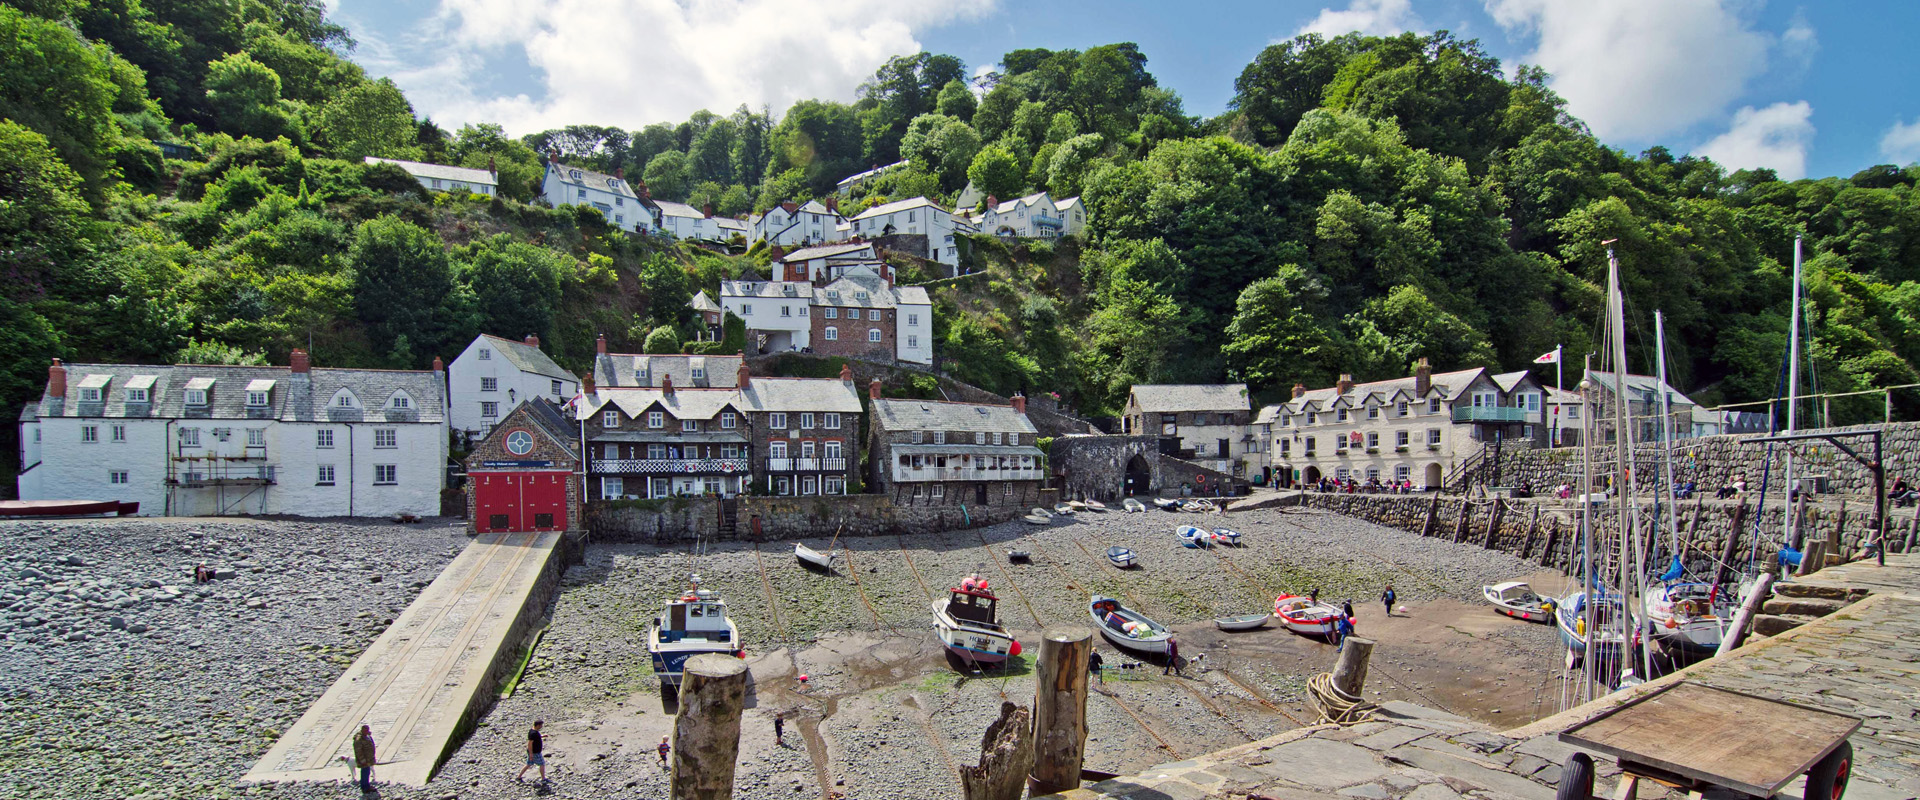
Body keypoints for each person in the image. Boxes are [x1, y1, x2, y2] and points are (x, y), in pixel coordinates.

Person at [352, 724, 376, 793]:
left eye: (367, 730)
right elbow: (358, 751)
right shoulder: (359, 739)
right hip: (364, 760)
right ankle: (365, 787)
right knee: (365, 772)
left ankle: (367, 785)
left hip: (368, 759)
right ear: (362, 730)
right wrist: (362, 760)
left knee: (367, 772)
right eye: (365, 730)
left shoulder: (367, 736)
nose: (367, 731)